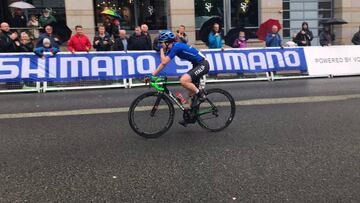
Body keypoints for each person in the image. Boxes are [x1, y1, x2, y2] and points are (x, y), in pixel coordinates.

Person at [151, 30, 210, 126]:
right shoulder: (173, 47)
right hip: (196, 65)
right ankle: (190, 117)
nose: (161, 45)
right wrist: (153, 74)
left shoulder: (176, 46)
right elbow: (163, 63)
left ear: (167, 42)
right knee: (191, 94)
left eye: (162, 43)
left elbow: (164, 62)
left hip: (203, 64)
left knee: (183, 80)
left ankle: (201, 94)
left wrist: (152, 75)